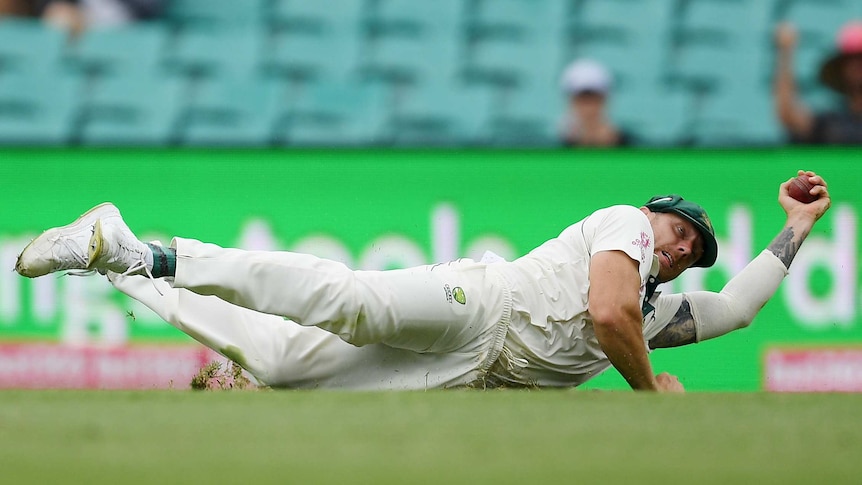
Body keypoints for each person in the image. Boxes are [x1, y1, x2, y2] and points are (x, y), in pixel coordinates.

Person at [15, 171, 831, 392]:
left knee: (288, 367)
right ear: (654, 215)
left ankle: (118, 254)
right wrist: (656, 400)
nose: (684, 249)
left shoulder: (657, 309)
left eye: (694, 249)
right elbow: (610, 312)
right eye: (680, 230)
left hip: (470, 372)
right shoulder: (622, 225)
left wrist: (795, 229)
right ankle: (162, 254)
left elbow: (740, 305)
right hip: (480, 304)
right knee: (347, 298)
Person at [774, 21, 862, 144]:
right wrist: (786, 53)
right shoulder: (831, 125)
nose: (858, 65)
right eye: (852, 60)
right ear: (842, 69)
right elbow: (788, 116)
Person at [558, 58, 633, 147]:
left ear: (605, 100)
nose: (588, 108)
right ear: (571, 102)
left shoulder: (632, 147)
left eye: (594, 99)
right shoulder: (558, 148)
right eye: (582, 100)